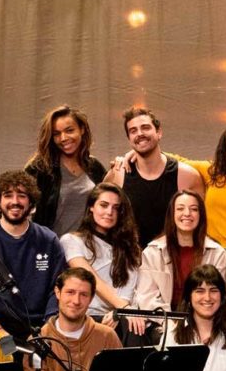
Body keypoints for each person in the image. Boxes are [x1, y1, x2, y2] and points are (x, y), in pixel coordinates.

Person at [0, 170, 67, 330]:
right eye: (8, 195)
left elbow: (58, 287)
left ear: (31, 202)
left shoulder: (48, 240)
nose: (15, 201)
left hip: (43, 328)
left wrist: (49, 326)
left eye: (22, 196)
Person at [103, 107, 204, 246]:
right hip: (128, 256)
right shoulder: (118, 173)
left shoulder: (187, 176)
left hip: (172, 256)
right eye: (133, 131)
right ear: (129, 139)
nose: (140, 134)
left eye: (145, 127)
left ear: (159, 132)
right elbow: (100, 218)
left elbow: (200, 225)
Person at [58, 183, 141, 322]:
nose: (109, 212)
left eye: (116, 208)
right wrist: (122, 308)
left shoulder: (130, 248)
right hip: (85, 314)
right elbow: (91, 278)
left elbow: (128, 290)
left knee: (138, 326)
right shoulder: (71, 240)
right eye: (104, 205)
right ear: (91, 207)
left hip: (119, 315)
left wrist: (118, 313)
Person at [134, 191, 226, 313]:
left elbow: (219, 296)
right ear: (172, 214)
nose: (187, 213)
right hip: (163, 319)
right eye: (180, 209)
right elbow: (147, 297)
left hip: (205, 317)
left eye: (194, 209)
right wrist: (168, 321)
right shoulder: (153, 252)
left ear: (201, 215)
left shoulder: (217, 253)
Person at [25, 105, 108, 236]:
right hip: (52, 245)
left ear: (82, 129)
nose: (63, 138)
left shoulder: (94, 167)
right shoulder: (39, 169)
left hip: (88, 244)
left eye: (69, 130)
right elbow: (17, 205)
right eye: (56, 134)